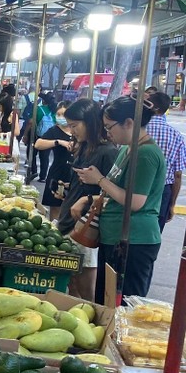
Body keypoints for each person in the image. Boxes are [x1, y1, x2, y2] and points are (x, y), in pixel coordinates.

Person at [75, 96, 166, 303]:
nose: (108, 133)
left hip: (134, 241)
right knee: (105, 301)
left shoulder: (146, 154)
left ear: (129, 123)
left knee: (124, 305)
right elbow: (116, 192)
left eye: (109, 127)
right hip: (113, 236)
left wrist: (98, 179)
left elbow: (135, 202)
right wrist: (89, 199)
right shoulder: (126, 149)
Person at [57, 98, 116, 301]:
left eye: (75, 125)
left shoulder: (107, 152)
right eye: (70, 125)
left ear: (90, 122)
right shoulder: (83, 147)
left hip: (86, 226)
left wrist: (87, 198)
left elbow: (112, 193)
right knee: (72, 286)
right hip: (68, 220)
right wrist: (68, 190)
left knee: (85, 291)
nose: (72, 131)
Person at [144, 91, 186, 232]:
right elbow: (178, 174)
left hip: (136, 185)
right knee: (153, 232)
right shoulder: (176, 135)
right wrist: (172, 204)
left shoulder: (138, 129)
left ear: (151, 106)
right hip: (162, 191)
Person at [34, 103, 73, 221]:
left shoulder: (78, 131)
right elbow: (38, 144)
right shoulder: (54, 130)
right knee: (55, 208)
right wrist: (58, 142)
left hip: (74, 174)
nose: (60, 117)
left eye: (64, 115)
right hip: (57, 172)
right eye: (58, 114)